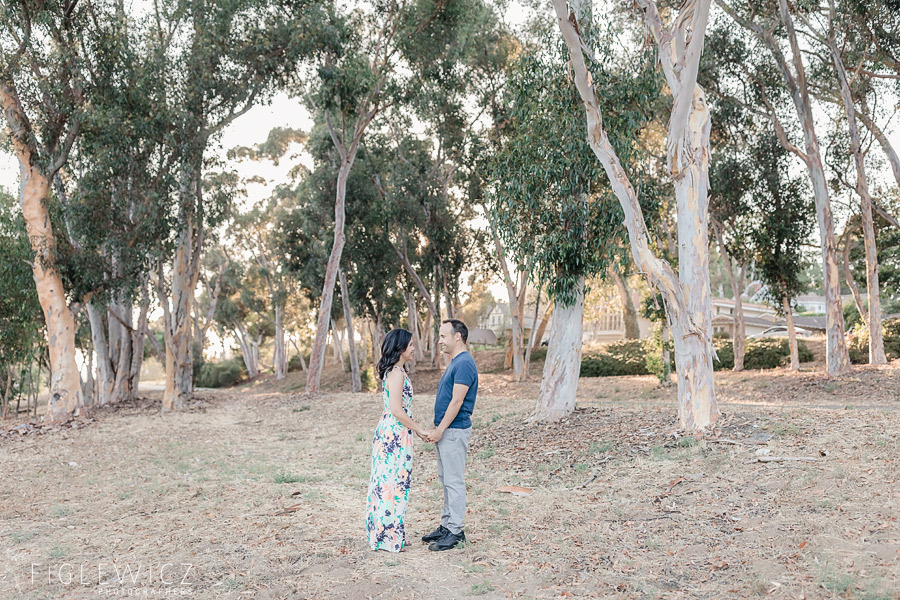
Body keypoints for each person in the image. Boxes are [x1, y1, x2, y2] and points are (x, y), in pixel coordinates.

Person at [365, 328, 432, 552]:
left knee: (395, 482)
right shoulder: (396, 373)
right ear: (401, 348)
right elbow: (396, 409)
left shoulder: (396, 371)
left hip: (395, 432)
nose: (413, 349)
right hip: (394, 433)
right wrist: (420, 429)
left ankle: (394, 532)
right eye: (411, 345)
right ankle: (389, 537)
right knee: (391, 484)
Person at [421, 318, 478, 551]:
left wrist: (439, 430)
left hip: (454, 431)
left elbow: (457, 401)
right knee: (446, 480)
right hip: (447, 431)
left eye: (443, 336)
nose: (439, 340)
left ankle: (456, 531)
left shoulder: (464, 363)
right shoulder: (456, 361)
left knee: (454, 481)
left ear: (458, 336)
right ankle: (446, 525)